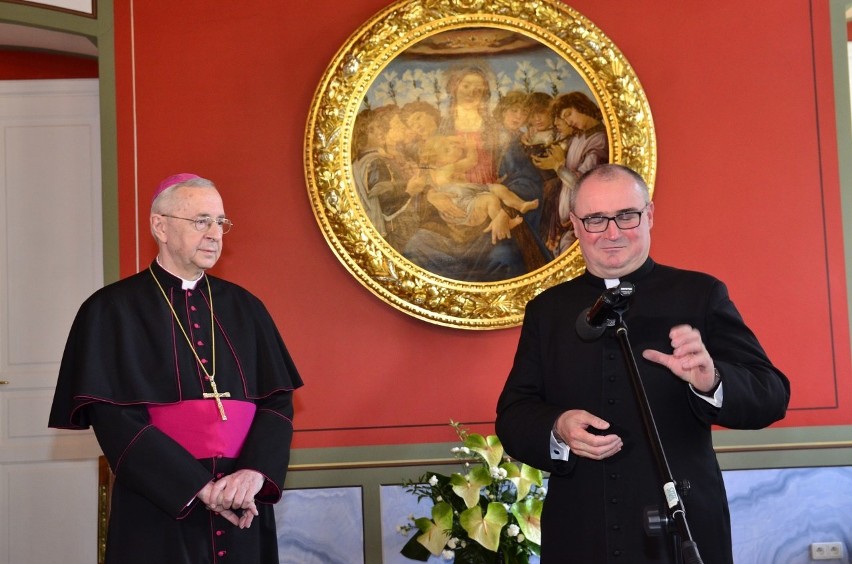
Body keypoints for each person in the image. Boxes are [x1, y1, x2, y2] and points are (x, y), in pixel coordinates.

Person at [495, 164, 790, 563]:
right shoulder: (548, 311)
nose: (612, 233)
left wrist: (712, 380)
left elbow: (771, 395)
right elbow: (513, 416)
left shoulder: (699, 294)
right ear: (575, 225)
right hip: (581, 531)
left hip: (683, 529)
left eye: (626, 216)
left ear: (649, 215)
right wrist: (557, 427)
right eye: (596, 219)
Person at [48, 173, 303, 564]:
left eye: (221, 222)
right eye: (201, 221)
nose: (215, 233)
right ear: (160, 226)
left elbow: (277, 402)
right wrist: (197, 486)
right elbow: (115, 420)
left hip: (242, 500)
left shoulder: (246, 307)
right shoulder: (110, 311)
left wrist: (253, 474)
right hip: (158, 504)